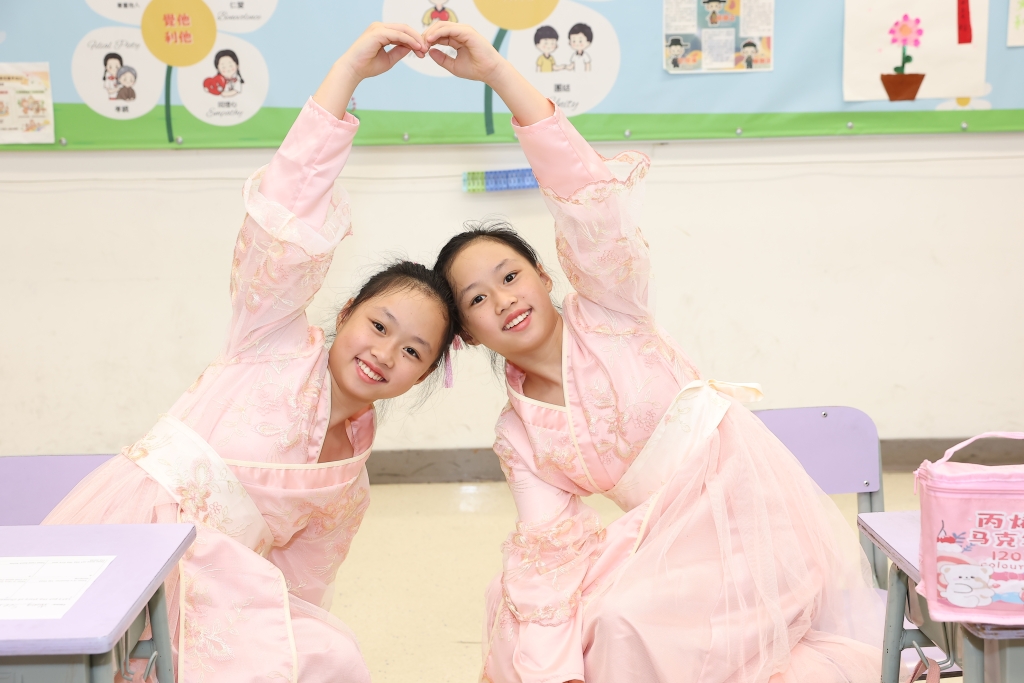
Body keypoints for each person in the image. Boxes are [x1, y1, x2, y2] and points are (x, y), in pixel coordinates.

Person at [423, 21, 885, 683]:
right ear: (467, 334)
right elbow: (549, 546)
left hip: (752, 525)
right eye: (477, 298)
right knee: (523, 603)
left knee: (622, 622)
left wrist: (498, 72)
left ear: (544, 276)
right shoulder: (520, 432)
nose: (503, 299)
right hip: (670, 550)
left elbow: (587, 206)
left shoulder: (610, 310)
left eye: (510, 275)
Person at [45, 23, 448, 683]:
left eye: (412, 351)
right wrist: (347, 73)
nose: (384, 353)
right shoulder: (272, 336)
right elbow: (288, 215)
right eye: (379, 324)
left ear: (423, 376)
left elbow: (300, 584)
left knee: (331, 656)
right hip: (135, 534)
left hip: (217, 589)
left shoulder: (349, 484)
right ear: (345, 311)